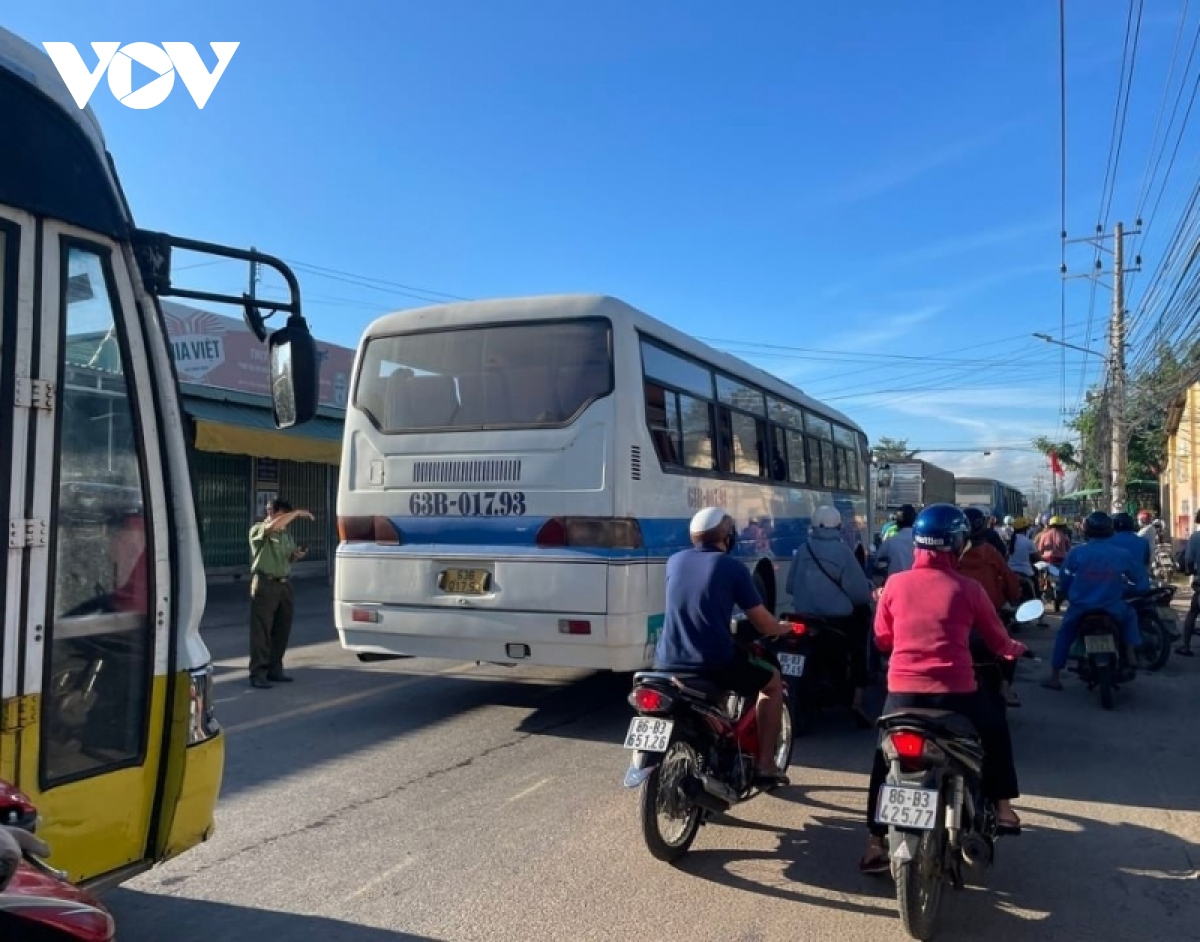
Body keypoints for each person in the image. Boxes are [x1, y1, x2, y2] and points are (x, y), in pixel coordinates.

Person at [859, 504, 1026, 873]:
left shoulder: (894, 586)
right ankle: (1003, 808)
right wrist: (1015, 649)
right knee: (995, 726)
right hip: (957, 696)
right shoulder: (969, 588)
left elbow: (883, 640)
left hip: (902, 694)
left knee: (882, 758)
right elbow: (999, 641)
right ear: (957, 543)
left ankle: (874, 842)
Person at [654, 507, 792, 786]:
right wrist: (781, 628)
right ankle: (766, 764)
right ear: (727, 538)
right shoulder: (731, 567)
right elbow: (763, 623)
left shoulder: (675, 561)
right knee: (772, 682)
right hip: (713, 660)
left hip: (666, 661)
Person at [787, 506, 875, 724]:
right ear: (838, 526)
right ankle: (857, 697)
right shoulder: (843, 552)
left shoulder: (803, 549)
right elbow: (860, 594)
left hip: (803, 617)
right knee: (858, 645)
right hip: (836, 622)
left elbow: (789, 586)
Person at [1042, 511, 1148, 691]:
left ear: (1086, 531)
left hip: (1080, 608)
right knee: (1130, 615)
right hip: (1112, 607)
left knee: (1065, 634)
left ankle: (1055, 677)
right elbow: (1140, 580)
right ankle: (1130, 653)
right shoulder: (1121, 554)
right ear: (1109, 530)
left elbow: (1065, 580)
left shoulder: (1077, 553)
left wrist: (1066, 594)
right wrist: (1133, 591)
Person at [959, 508, 1023, 706]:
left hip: (954, 620)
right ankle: (1005, 685)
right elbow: (1010, 581)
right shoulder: (991, 553)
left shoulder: (951, 556)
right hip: (989, 617)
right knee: (1009, 648)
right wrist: (1014, 598)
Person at [248, 498, 313, 689]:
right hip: (265, 583)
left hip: (284, 584)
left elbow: (288, 558)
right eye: (269, 511)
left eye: (273, 511)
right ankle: (258, 673)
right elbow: (272, 527)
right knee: (261, 631)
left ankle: (274, 669)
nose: (269, 514)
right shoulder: (259, 530)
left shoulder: (286, 536)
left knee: (282, 629)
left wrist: (296, 555)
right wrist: (297, 513)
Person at [1175, 510, 1200, 657]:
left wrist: (1189, 571)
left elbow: (1189, 560)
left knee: (1193, 613)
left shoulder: (1195, 537)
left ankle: (1185, 645)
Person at [1035, 515, 1072, 612]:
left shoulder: (1044, 535)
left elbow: (1039, 549)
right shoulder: (1064, 536)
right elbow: (1069, 549)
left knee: (1042, 579)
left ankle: (1044, 592)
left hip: (1047, 562)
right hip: (1061, 562)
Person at [873, 504, 917, 583]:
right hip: (917, 586)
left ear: (896, 522)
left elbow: (877, 564)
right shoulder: (922, 543)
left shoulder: (890, 542)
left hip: (895, 587)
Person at [1110, 512, 1151, 583]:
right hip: (1140, 585)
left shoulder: (1109, 541)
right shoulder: (1143, 542)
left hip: (1118, 586)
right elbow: (1146, 563)